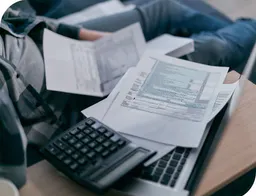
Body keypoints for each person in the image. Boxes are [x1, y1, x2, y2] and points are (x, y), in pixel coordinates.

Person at [0, 0, 255, 147]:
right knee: (214, 48)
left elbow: (16, 20)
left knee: (165, 8)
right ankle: (249, 29)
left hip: (54, 45)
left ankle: (243, 42)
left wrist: (88, 37)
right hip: (62, 102)